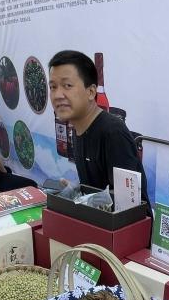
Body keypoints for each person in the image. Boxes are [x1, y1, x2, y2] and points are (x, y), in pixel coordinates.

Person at [47, 49, 149, 201]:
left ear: (91, 92)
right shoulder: (77, 128)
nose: (57, 95)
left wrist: (86, 201)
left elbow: (130, 202)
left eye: (67, 85)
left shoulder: (112, 132)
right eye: (53, 87)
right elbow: (96, 189)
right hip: (94, 220)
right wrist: (79, 194)